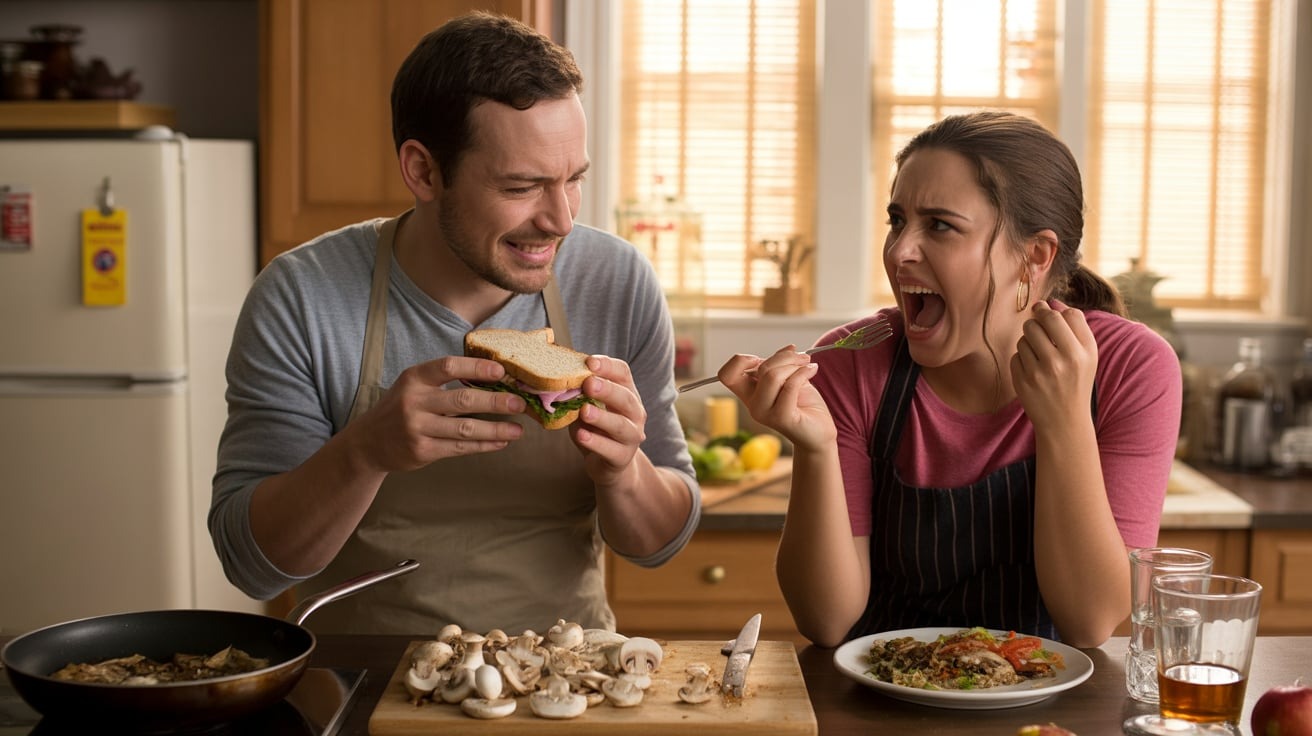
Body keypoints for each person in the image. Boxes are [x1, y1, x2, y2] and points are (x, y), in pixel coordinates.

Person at [209, 11, 700, 636]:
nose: (561, 220)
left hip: (569, 672)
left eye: (573, 180)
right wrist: (364, 452)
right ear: (424, 171)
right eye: (522, 187)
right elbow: (252, 566)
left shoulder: (616, 280)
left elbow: (658, 545)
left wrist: (624, 471)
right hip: (362, 676)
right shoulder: (302, 295)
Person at [716, 111, 1181, 649]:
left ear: (1034, 257)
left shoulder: (1130, 368)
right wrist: (815, 450)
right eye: (897, 221)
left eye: (939, 225)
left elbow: (1091, 620)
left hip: (1049, 692)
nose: (899, 251)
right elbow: (827, 622)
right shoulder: (851, 363)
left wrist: (1064, 422)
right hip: (877, 686)